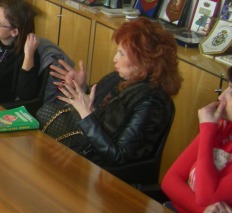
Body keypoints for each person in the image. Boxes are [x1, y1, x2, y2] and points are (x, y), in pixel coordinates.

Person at [49, 17, 181, 166]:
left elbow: (118, 155)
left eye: (122, 54)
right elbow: (96, 109)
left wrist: (86, 115)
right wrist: (81, 88)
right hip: (86, 158)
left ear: (145, 61)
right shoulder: (119, 78)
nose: (115, 59)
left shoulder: (152, 103)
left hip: (107, 175)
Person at [161, 66, 232, 213]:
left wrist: (207, 129)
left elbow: (208, 197)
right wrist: (203, 210)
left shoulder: (211, 127)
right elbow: (170, 180)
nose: (221, 97)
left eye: (231, 92)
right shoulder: (221, 126)